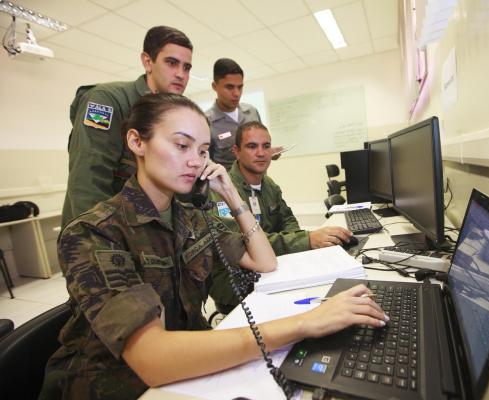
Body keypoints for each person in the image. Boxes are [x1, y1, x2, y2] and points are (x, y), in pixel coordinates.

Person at [39, 93, 387, 400]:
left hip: (188, 364)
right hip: (113, 385)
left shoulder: (189, 217)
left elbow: (263, 261)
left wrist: (232, 195)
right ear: (136, 142)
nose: (195, 160)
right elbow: (153, 358)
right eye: (181, 145)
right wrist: (304, 323)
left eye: (203, 150)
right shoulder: (94, 232)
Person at [209, 121, 354, 313]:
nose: (261, 153)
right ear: (236, 151)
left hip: (272, 267)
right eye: (252, 146)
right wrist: (305, 241)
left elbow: (288, 220)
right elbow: (245, 245)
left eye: (266, 146)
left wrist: (302, 246)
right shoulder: (222, 192)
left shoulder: (269, 185)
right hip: (235, 281)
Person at [60, 25, 193, 229]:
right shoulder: (106, 101)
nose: (180, 74)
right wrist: (99, 239)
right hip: (107, 233)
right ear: (148, 62)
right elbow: (89, 182)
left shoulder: (175, 114)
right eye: (172, 63)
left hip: (149, 230)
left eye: (186, 67)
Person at [206, 58, 283, 170]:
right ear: (214, 86)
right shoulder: (206, 121)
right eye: (229, 87)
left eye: (240, 87)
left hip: (258, 181)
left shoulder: (252, 112)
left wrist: (269, 152)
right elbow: (204, 162)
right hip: (227, 184)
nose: (236, 93)